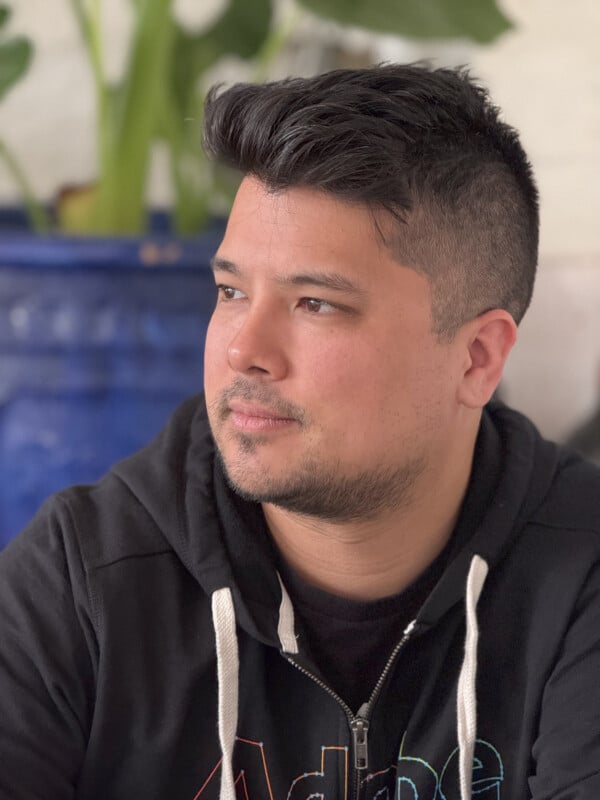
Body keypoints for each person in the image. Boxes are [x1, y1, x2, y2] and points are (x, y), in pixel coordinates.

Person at [1, 63, 599, 800]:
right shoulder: (82, 582)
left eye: (315, 304)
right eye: (231, 291)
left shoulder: (581, 575)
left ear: (477, 358)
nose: (242, 349)